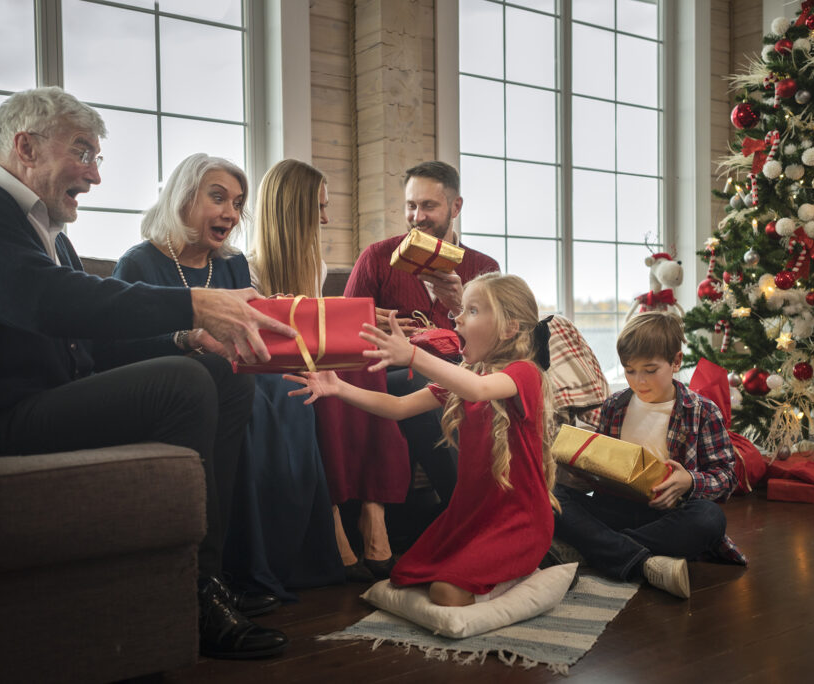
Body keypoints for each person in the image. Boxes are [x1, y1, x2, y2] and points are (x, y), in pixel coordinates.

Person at [0, 87, 297, 660]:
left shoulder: (50, 235)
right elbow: (44, 300)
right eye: (84, 153)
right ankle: (193, 593)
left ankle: (210, 578)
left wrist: (183, 337)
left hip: (39, 402)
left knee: (219, 371)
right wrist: (190, 306)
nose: (94, 176)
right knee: (185, 383)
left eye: (98, 158)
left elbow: (90, 343)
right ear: (26, 146)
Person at [111, 155, 342, 600]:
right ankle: (242, 570)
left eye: (237, 203)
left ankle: (284, 560)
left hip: (244, 375)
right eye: (218, 198)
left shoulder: (233, 264)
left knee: (293, 387)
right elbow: (118, 350)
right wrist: (189, 337)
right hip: (187, 383)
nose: (231, 214)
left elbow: (258, 331)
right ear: (182, 197)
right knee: (256, 394)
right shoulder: (138, 263)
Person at [287, 273, 557, 606]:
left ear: (508, 328)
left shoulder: (523, 373)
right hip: (473, 516)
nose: (456, 318)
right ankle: (496, 574)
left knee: (445, 593)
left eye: (471, 311)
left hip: (518, 521)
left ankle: (521, 578)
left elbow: (480, 391)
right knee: (405, 577)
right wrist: (339, 388)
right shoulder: (471, 376)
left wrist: (413, 356)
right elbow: (398, 407)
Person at [317, 161, 500, 581]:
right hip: (395, 371)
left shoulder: (482, 266)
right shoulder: (378, 258)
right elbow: (344, 336)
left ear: (456, 206)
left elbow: (499, 346)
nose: (418, 217)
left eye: (429, 206)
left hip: (458, 367)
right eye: (411, 206)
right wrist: (370, 323)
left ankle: (463, 522)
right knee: (420, 384)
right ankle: (471, 522)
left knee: (441, 383)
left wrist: (459, 307)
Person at [551, 311, 746, 600]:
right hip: (615, 509)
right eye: (629, 370)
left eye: (650, 370)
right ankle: (640, 559)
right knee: (553, 495)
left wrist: (689, 482)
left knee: (709, 519)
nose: (639, 381)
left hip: (668, 515)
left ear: (676, 361)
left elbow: (727, 477)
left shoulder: (701, 411)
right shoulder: (614, 406)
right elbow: (604, 465)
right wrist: (583, 472)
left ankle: (599, 550)